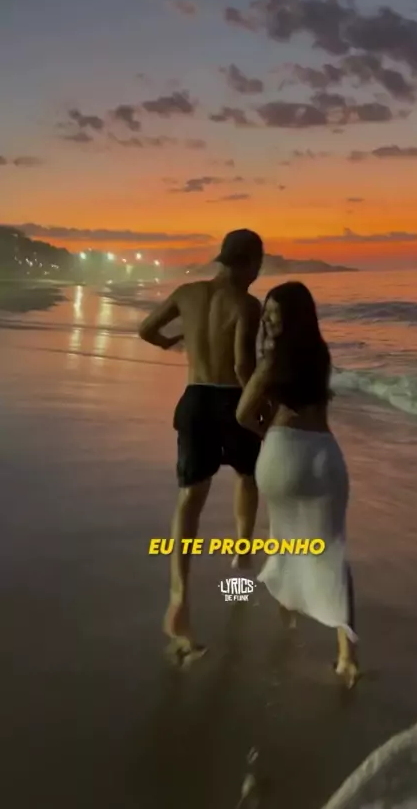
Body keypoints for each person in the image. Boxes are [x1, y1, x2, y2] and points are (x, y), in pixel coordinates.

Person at [138, 229, 264, 663]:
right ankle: (240, 563)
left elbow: (146, 329)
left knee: (190, 498)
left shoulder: (187, 293)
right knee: (248, 477)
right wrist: (260, 410)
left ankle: (178, 598)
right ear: (250, 262)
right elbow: (243, 366)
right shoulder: (247, 304)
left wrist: (172, 342)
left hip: (194, 400)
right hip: (231, 400)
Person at [236, 282, 359, 688]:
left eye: (274, 313)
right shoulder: (321, 356)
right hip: (323, 456)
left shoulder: (272, 361)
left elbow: (242, 414)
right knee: (332, 550)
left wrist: (269, 433)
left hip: (282, 454)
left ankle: (286, 616)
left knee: (284, 538)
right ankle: (346, 658)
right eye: (267, 313)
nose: (269, 320)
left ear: (291, 317)